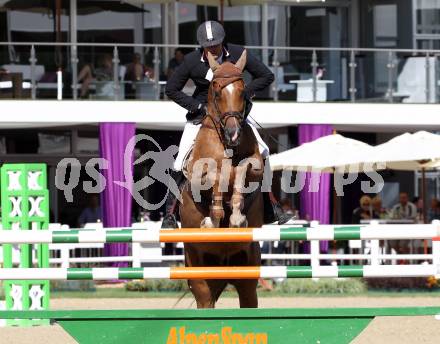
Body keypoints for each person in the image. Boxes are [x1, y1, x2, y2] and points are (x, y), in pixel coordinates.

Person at [162, 20, 291, 229]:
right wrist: (196, 106)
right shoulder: (192, 60)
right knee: (179, 161)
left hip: (233, 114)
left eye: (216, 44)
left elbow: (267, 75)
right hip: (203, 115)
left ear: (223, 42)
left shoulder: (238, 54)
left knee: (264, 151)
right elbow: (171, 89)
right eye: (208, 46)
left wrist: (240, 95)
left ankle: (271, 206)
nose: (212, 49)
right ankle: (169, 214)